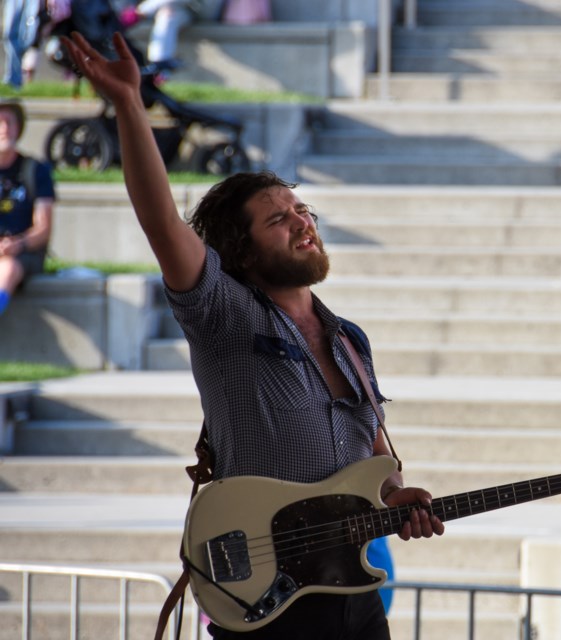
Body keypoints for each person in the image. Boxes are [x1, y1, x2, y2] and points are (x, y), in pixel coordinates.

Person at [61, 31, 443, 640]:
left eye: (303, 211)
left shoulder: (351, 340)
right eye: (278, 218)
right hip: (270, 600)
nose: (301, 223)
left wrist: (396, 496)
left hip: (353, 597)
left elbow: (374, 454)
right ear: (241, 249)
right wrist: (131, 105)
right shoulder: (224, 312)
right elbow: (160, 219)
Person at [0, 99, 55, 317]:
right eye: (0, 122)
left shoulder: (35, 170)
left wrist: (17, 244)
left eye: (9, 123)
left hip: (24, 253)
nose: (5, 129)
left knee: (8, 268)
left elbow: (43, 228)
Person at [118, 0, 224, 70]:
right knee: (167, 14)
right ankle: (159, 64)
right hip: (178, 7)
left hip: (206, 9)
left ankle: (136, 14)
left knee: (166, 10)